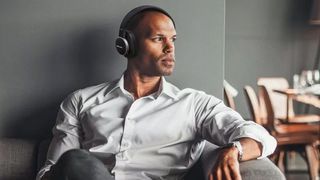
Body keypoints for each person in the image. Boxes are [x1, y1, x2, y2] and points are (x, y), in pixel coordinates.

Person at [37, 5, 277, 180]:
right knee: (75, 161)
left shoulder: (193, 104)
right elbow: (52, 170)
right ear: (126, 45)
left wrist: (234, 150)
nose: (170, 48)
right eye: (158, 38)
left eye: (173, 39)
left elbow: (260, 135)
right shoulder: (80, 101)